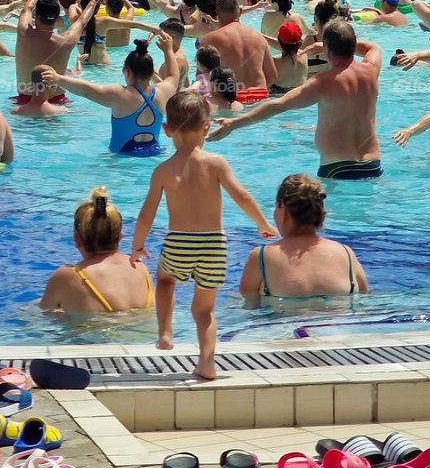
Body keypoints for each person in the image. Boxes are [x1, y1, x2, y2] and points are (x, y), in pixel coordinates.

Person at [130, 91, 275, 378]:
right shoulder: (216, 163)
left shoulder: (163, 171)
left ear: (166, 130)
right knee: (205, 311)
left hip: (179, 242)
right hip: (214, 245)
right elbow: (242, 196)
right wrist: (262, 223)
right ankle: (207, 363)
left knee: (166, 281)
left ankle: (165, 333)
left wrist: (137, 245)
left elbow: (146, 214)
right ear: (206, 128)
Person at [210, 20, 383, 181]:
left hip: (337, 168)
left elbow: (277, 106)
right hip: (373, 165)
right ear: (353, 44)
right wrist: (333, 44)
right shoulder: (371, 71)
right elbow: (373, 47)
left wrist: (233, 124)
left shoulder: (322, 83)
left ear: (327, 49)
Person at [42, 34, 180, 154]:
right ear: (151, 73)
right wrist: (168, 50)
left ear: (126, 72)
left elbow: (86, 91)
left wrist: (58, 79)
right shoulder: (163, 93)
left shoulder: (120, 94)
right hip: (154, 154)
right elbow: (174, 76)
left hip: (121, 159)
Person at [239, 174, 368, 301]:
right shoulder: (346, 253)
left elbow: (249, 304)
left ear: (281, 207)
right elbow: (364, 296)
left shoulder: (262, 256)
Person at [40, 187, 155, 314]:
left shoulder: (67, 277)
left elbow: (41, 314)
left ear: (77, 239)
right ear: (120, 237)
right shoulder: (140, 268)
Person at [15, 0, 103, 97]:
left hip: (24, 100)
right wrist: (94, 0)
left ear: (35, 16)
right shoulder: (67, 40)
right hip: (59, 102)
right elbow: (82, 21)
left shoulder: (23, 32)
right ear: (57, 17)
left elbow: (26, 8)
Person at [202, 0, 276, 93]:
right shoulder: (259, 38)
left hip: (229, 95)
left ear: (217, 13)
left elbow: (202, 78)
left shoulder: (209, 39)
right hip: (258, 94)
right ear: (240, 12)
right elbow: (272, 76)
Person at [268, 22, 309, 94]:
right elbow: (289, 48)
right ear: (300, 42)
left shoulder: (273, 63)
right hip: (300, 94)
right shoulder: (304, 55)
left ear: (279, 42)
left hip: (278, 96)